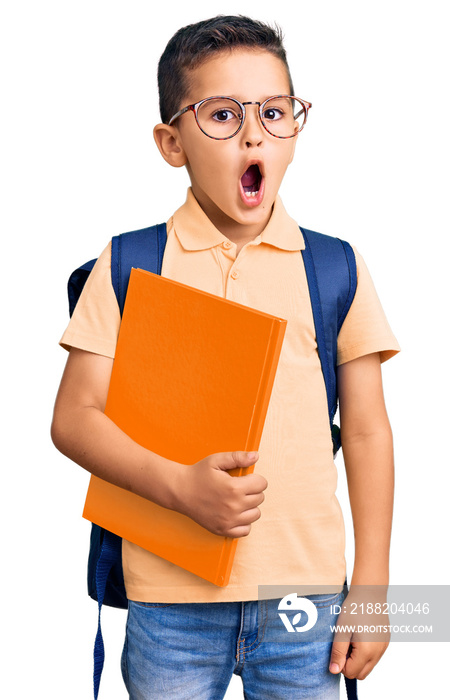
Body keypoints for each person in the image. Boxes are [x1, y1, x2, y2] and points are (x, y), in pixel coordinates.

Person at [51, 15, 400, 699]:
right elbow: (73, 417)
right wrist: (179, 489)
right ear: (170, 142)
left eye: (274, 112)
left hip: (306, 598)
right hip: (169, 601)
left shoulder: (334, 267)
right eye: (221, 114)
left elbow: (366, 431)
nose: (252, 134)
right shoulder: (128, 263)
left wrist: (377, 591)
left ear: (296, 130)